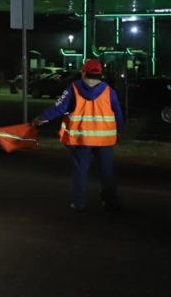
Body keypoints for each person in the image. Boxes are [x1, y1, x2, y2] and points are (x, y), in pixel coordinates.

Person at [33, 58, 123, 212]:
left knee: (80, 171)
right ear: (100, 74)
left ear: (84, 73)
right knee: (107, 172)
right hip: (105, 140)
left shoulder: (73, 88)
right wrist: (119, 131)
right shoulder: (109, 91)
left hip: (82, 139)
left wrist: (41, 118)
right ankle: (110, 202)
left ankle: (78, 202)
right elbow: (118, 114)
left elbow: (59, 107)